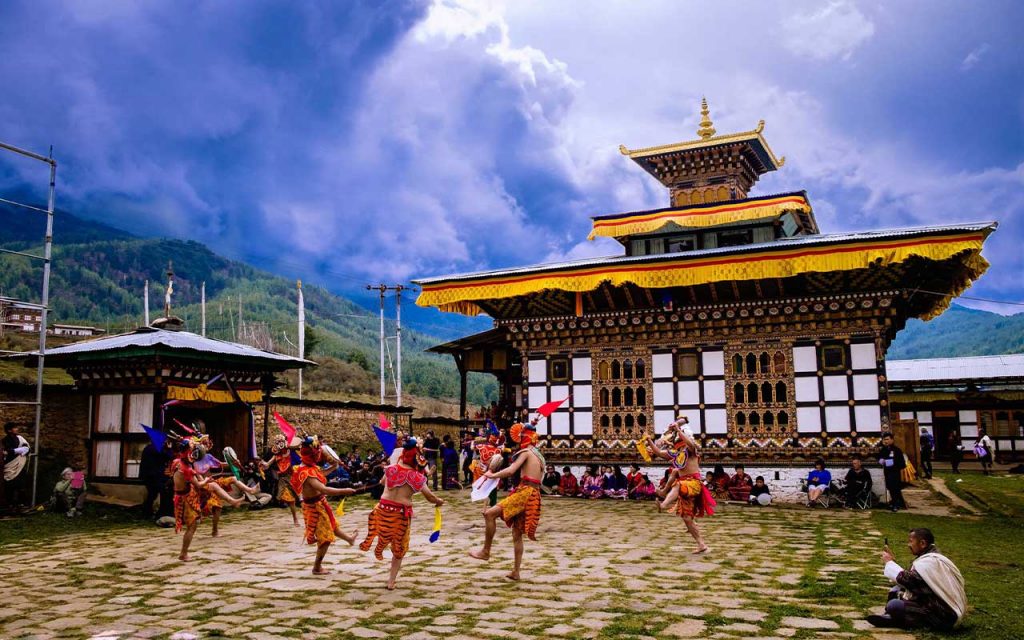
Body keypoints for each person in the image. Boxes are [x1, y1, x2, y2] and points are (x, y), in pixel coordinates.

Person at [360, 438, 444, 589]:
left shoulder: (391, 468)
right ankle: (391, 581)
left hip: (382, 509)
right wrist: (438, 501)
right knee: (399, 549)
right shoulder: (417, 477)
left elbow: (382, 482)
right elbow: (429, 496)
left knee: (385, 540)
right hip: (399, 515)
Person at [469, 419, 545, 581]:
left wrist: (492, 475)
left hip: (525, 492)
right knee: (517, 533)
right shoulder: (539, 455)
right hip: (534, 494)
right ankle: (516, 572)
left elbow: (511, 471)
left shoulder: (525, 452)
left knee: (489, 514)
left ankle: (486, 551)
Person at [868, 528, 967, 631]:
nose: (908, 545)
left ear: (922, 543)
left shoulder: (931, 562)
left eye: (911, 541)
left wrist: (889, 563)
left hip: (943, 615)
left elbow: (911, 581)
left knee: (894, 605)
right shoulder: (931, 558)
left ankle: (895, 618)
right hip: (933, 605)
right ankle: (891, 617)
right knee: (895, 590)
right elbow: (914, 580)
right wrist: (893, 563)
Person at [644, 417, 715, 553]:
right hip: (685, 486)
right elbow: (658, 453)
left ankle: (664, 503)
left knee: (677, 483)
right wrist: (649, 441)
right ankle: (701, 544)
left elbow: (690, 443)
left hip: (693, 484)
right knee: (687, 518)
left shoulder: (692, 451)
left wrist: (678, 430)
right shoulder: (677, 454)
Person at [293, 436, 358, 575]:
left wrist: (334, 466)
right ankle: (317, 567)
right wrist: (344, 490)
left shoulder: (308, 467)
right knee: (325, 538)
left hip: (320, 503)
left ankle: (349, 539)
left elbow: (320, 473)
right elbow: (323, 489)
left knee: (332, 525)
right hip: (314, 507)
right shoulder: (306, 472)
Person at [259, 435, 300, 526]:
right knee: (291, 500)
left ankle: (303, 510)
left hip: (294, 478)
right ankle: (295, 519)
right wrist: (264, 464)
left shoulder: (293, 452)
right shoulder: (277, 456)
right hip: (283, 479)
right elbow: (268, 464)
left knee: (298, 498)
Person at [140, 439, 172, 519]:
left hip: (148, 475)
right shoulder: (156, 448)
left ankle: (147, 513)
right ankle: (159, 513)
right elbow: (168, 456)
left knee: (152, 494)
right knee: (162, 493)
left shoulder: (148, 448)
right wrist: (169, 448)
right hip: (154, 475)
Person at [2, 422, 31, 512]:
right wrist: (18, 450)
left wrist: (22, 449)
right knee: (9, 485)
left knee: (21, 485)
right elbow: (6, 451)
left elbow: (27, 447)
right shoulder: (5, 440)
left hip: (20, 464)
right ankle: (10, 505)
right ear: (9, 430)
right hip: (10, 464)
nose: (17, 429)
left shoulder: (20, 438)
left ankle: (21, 505)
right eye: (15, 428)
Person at [878, 433, 907, 512]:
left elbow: (902, 464)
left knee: (895, 488)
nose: (886, 441)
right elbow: (880, 458)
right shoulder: (883, 450)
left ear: (892, 440)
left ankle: (896, 504)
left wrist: (889, 462)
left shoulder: (897, 450)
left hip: (895, 473)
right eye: (884, 440)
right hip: (887, 472)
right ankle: (897, 503)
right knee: (890, 488)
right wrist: (881, 461)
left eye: (887, 439)